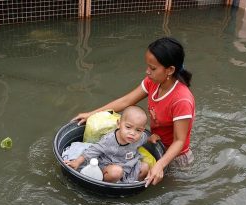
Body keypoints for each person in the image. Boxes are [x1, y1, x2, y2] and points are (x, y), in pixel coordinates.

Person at [73, 37, 195, 187]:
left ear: (170, 70)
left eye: (153, 68)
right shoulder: (153, 82)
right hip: (153, 142)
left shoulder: (181, 100)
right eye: (148, 66)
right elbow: (125, 101)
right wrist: (92, 114)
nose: (147, 71)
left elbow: (179, 141)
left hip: (174, 158)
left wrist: (160, 165)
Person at [65, 105, 152, 183]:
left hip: (128, 165)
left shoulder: (140, 137)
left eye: (138, 130)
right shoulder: (109, 140)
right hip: (108, 166)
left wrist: (151, 138)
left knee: (145, 167)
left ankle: (132, 184)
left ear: (142, 130)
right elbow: (94, 150)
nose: (132, 133)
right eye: (128, 127)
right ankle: (105, 184)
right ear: (119, 124)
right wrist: (77, 162)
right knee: (116, 172)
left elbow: (146, 138)